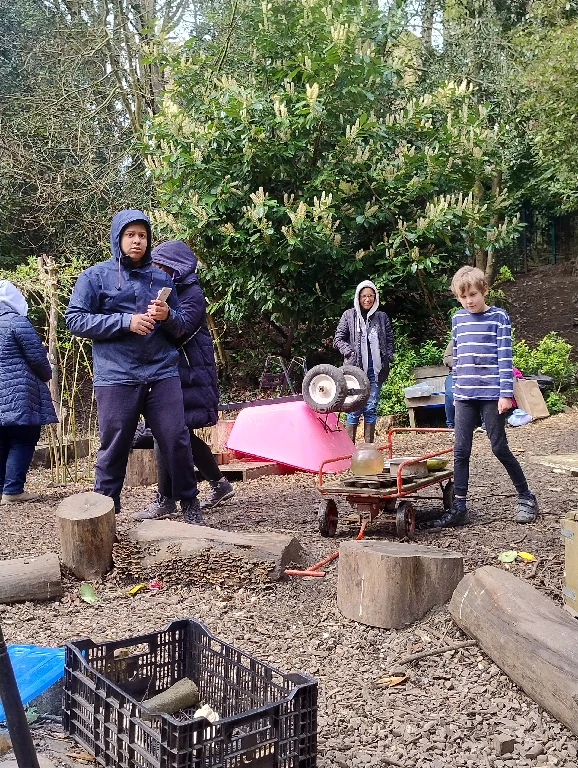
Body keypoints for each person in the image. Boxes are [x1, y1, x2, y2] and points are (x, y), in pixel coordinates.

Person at [65, 210, 203, 524]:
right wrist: (126, 321)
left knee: (176, 438)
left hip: (161, 371)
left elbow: (181, 327)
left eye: (142, 235)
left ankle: (189, 502)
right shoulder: (94, 277)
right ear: (119, 238)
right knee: (114, 444)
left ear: (148, 240)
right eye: (130, 235)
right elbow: (75, 319)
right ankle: (105, 510)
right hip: (117, 374)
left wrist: (167, 315)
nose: (137, 240)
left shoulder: (161, 278)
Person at [430, 266, 538, 529]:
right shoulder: (458, 319)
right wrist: (455, 392)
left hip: (492, 395)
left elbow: (505, 358)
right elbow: (458, 359)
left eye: (474, 295)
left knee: (499, 447)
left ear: (484, 291)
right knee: (460, 450)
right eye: (463, 297)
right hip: (465, 395)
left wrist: (505, 394)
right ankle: (459, 507)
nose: (469, 301)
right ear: (458, 297)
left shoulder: (499, 318)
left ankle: (526, 497)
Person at [133, 241, 234, 520]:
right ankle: (218, 483)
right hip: (172, 371)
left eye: (160, 265)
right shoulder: (165, 289)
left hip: (190, 372)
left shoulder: (192, 293)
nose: (155, 270)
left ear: (174, 267)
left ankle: (166, 498)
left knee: (166, 430)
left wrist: (164, 317)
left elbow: (182, 328)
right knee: (174, 432)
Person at [0, 280, 58, 503]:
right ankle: (13, 490)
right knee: (23, 438)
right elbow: (37, 357)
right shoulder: (17, 322)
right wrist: (47, 374)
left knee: (2, 440)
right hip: (19, 392)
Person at [333, 280, 394, 443]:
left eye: (371, 296)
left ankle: (369, 450)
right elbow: (338, 339)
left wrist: (388, 355)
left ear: (375, 297)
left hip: (376, 370)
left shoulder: (382, 317)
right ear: (358, 297)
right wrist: (349, 352)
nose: (367, 299)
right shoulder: (349, 315)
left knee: (371, 407)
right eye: (364, 296)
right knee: (354, 409)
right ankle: (349, 450)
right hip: (354, 372)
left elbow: (389, 339)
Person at [443, 339, 455, 429]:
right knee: (450, 392)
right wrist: (461, 362)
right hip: (455, 374)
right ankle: (451, 425)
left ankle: (485, 425)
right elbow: (446, 359)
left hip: (476, 374)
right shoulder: (455, 340)